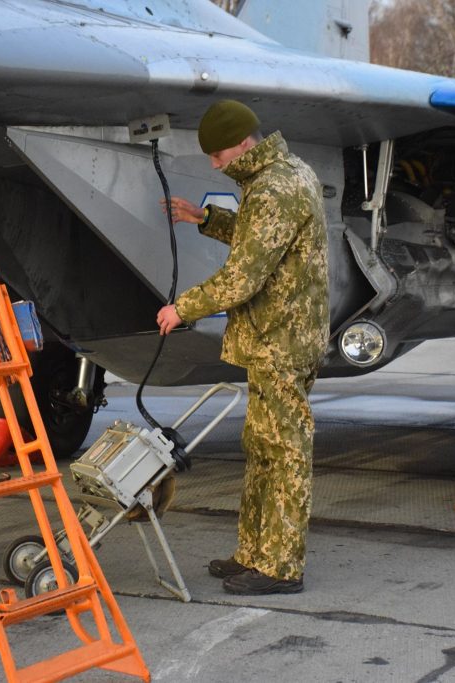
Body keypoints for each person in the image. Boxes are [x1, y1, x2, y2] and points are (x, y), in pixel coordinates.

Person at [156, 100, 329, 595]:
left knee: (283, 452)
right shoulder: (285, 172)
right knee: (263, 448)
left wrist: (182, 308)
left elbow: (244, 276)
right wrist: (206, 218)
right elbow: (264, 239)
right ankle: (254, 555)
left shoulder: (274, 187)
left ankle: (281, 567)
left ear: (241, 143)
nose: (215, 163)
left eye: (217, 155)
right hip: (277, 336)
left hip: (282, 340)